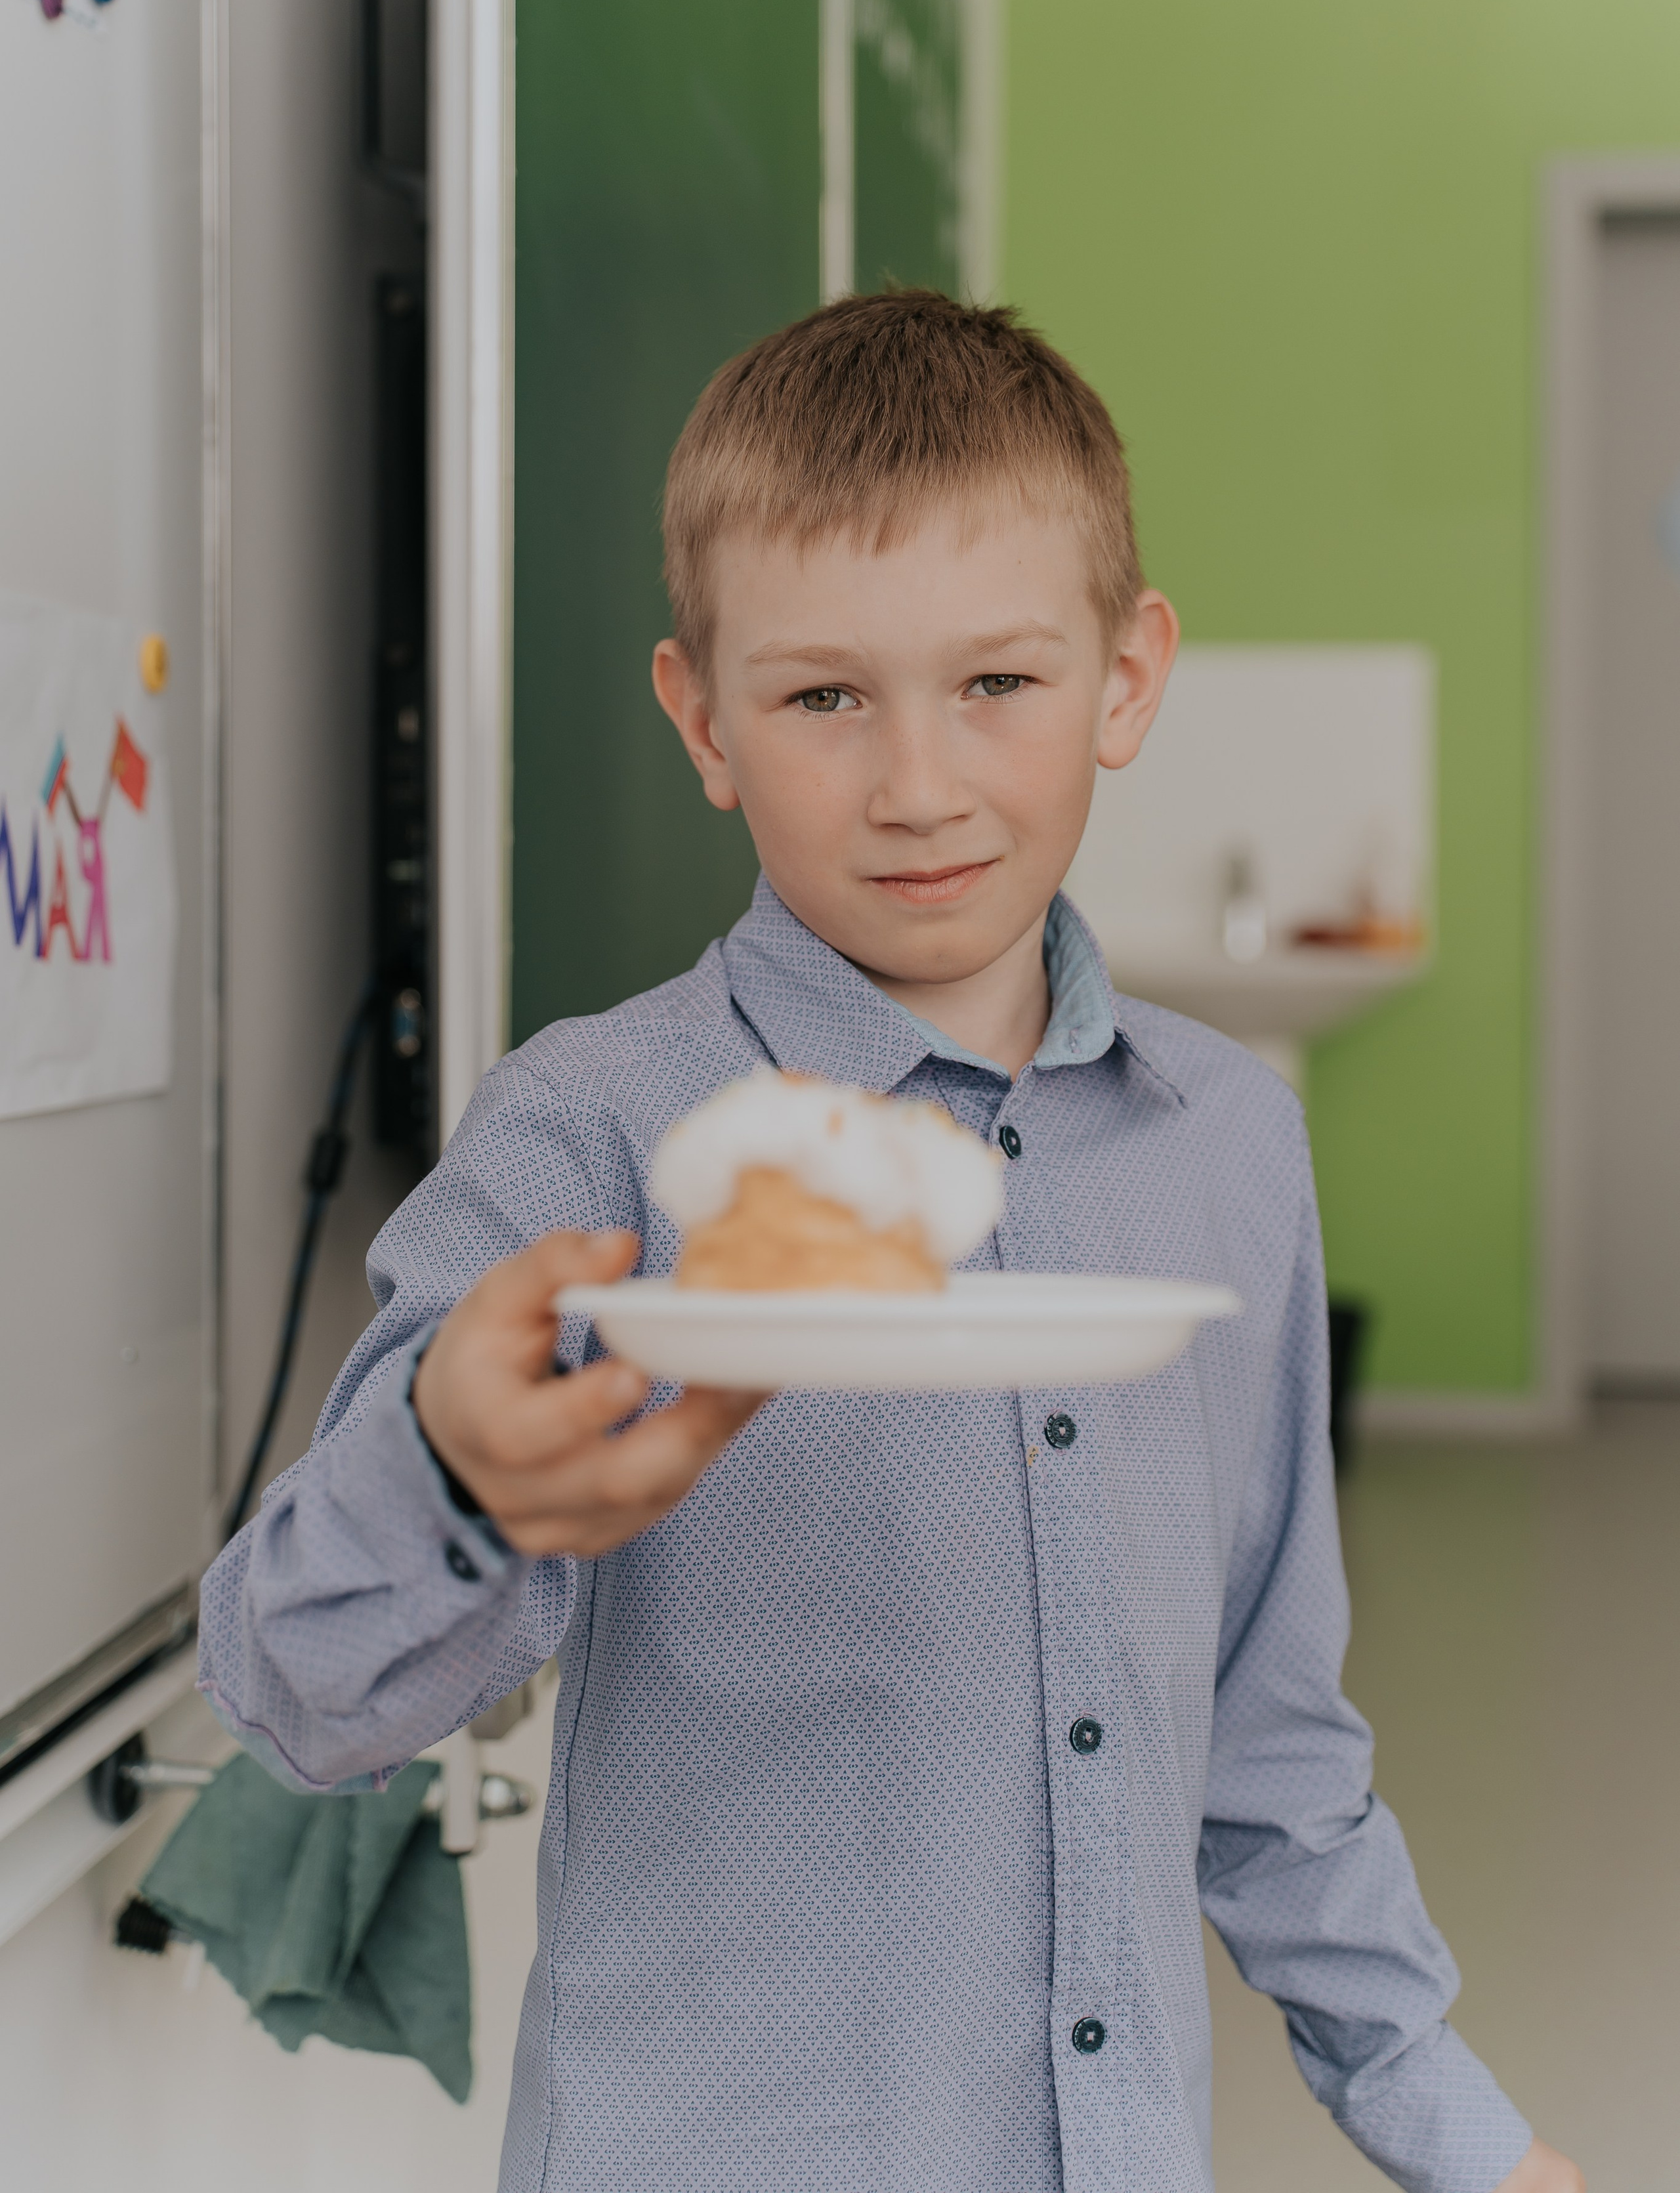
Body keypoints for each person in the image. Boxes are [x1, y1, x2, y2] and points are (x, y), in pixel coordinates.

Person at [198, 293, 1581, 2193]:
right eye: (825, 695)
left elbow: (1266, 1739)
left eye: (997, 685)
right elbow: (288, 1685)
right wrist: (452, 1472)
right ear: (703, 719)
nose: (918, 786)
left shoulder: (1233, 1146)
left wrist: (1457, 2132)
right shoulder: (593, 1132)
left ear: (1126, 678)